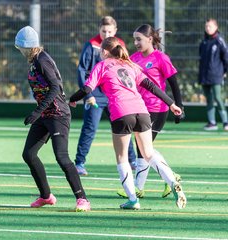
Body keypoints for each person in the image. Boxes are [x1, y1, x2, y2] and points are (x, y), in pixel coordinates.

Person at [69, 37, 187, 209]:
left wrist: (72, 100)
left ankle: (133, 200)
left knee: (121, 157)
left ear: (104, 52)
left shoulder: (101, 66)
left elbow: (87, 89)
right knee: (148, 153)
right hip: (142, 111)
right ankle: (172, 182)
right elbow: (152, 86)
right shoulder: (131, 65)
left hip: (121, 113)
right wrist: (172, 104)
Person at [14, 26, 91, 212]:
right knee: (29, 155)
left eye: (20, 48)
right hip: (45, 114)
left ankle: (82, 199)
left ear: (28, 47)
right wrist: (39, 113)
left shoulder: (42, 60)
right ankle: (46, 196)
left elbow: (55, 87)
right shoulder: (33, 61)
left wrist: (37, 112)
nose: (20, 51)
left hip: (58, 114)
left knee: (62, 157)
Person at [117, 24, 184, 199]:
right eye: (134, 39)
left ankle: (139, 187)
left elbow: (174, 84)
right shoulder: (133, 58)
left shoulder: (161, 58)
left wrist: (180, 106)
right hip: (140, 108)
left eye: (139, 39)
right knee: (145, 148)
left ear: (150, 39)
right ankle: (169, 176)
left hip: (158, 109)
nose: (136, 42)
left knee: (144, 148)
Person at [75, 16, 136, 176]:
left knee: (123, 128)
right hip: (94, 96)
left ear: (115, 31)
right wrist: (88, 95)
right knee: (90, 128)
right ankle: (80, 162)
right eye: (103, 31)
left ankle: (133, 160)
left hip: (115, 97)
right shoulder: (92, 45)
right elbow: (82, 70)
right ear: (99, 30)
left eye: (109, 31)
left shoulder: (119, 45)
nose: (106, 34)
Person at [198, 18, 228, 131]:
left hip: (216, 75)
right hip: (204, 76)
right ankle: (212, 123)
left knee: (218, 97)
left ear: (216, 27)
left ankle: (225, 122)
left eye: (210, 26)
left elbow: (226, 57)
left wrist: (224, 72)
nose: (207, 28)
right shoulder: (204, 42)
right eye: (206, 26)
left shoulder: (219, 41)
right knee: (208, 99)